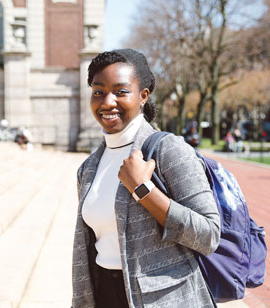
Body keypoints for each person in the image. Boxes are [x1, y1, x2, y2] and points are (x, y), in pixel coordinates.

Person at [71, 49, 220, 308]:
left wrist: (143, 190)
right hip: (104, 294)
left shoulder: (168, 150)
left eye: (120, 91)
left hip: (163, 300)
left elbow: (209, 235)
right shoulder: (88, 168)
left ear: (143, 96)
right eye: (98, 91)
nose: (107, 102)